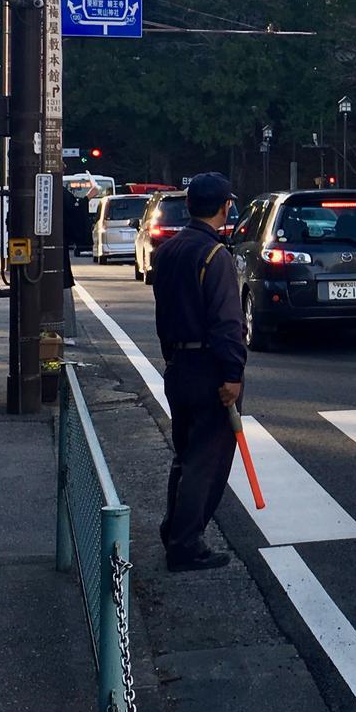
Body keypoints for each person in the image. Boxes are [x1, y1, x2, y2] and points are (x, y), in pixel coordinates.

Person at [151, 172, 245, 573]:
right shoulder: (215, 256)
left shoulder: (167, 252)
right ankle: (185, 544)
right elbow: (228, 322)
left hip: (177, 365)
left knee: (186, 454)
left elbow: (161, 316)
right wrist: (232, 374)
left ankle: (174, 528)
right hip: (210, 369)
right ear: (225, 208)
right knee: (206, 461)